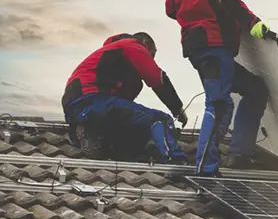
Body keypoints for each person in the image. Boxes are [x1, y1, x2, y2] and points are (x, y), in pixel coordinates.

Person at [165, 0, 271, 176]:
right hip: (214, 44)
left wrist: (194, 14)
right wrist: (252, 23)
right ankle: (206, 168)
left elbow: (170, 8)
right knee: (219, 104)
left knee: (254, 89)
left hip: (195, 46)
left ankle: (240, 154)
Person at [61, 32, 189, 163]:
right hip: (94, 99)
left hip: (77, 108)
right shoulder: (132, 45)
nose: (152, 60)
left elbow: (124, 112)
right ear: (145, 43)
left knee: (135, 129)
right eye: (152, 54)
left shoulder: (113, 58)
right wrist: (177, 109)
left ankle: (92, 134)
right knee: (160, 120)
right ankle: (175, 160)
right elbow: (158, 79)